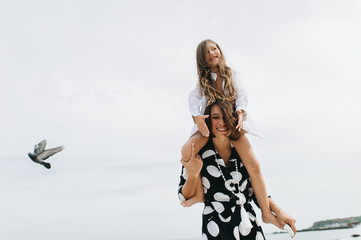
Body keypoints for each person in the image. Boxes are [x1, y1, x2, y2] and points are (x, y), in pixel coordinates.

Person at [185, 39, 279, 227]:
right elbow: (193, 100)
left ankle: (267, 213)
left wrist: (240, 113)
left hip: (231, 123)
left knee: (255, 165)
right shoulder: (202, 82)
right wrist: (197, 117)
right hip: (210, 126)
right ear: (202, 59)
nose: (212, 53)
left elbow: (242, 96)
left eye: (214, 48)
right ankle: (199, 194)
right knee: (186, 151)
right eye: (206, 52)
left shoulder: (231, 75)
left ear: (219, 50)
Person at [178, 101, 296, 239]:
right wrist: (193, 174)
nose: (222, 122)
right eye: (216, 117)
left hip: (247, 221)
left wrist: (278, 211)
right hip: (216, 225)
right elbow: (184, 196)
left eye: (226, 116)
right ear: (208, 120)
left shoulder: (241, 150)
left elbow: (254, 190)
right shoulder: (199, 151)